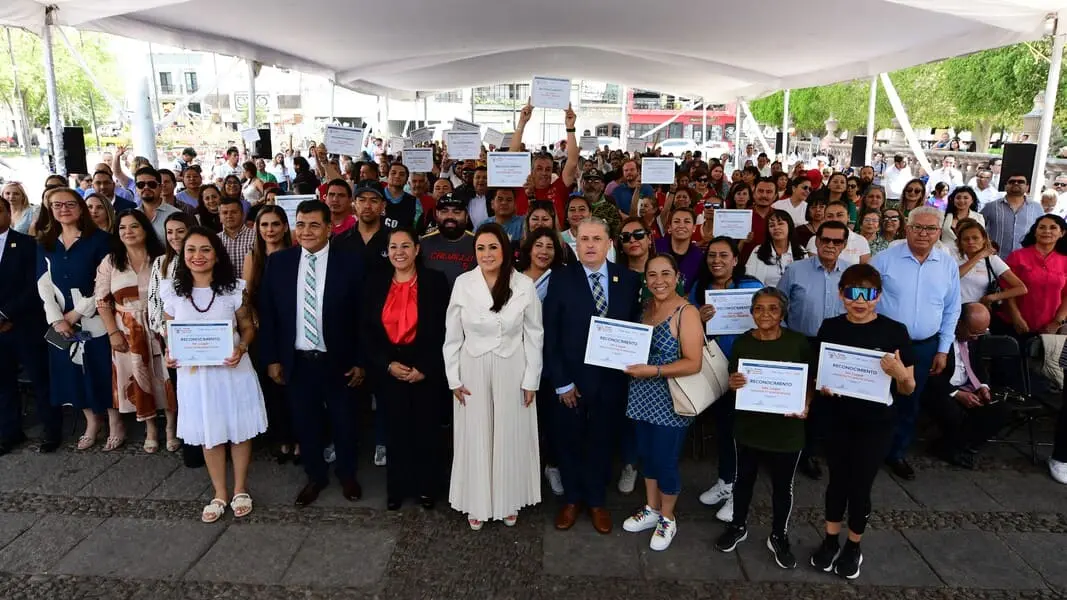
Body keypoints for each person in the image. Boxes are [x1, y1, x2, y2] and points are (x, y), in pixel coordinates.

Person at [808, 264, 916, 580]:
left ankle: (854, 545)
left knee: (860, 485)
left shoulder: (895, 331)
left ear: (878, 297)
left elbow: (908, 388)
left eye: (867, 294)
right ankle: (829, 540)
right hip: (838, 418)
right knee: (836, 483)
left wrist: (899, 374)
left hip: (876, 423)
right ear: (841, 294)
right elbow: (819, 372)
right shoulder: (830, 327)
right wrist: (821, 384)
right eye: (852, 293)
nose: (859, 301)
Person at [259, 200, 366, 507]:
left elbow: (361, 317)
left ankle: (347, 474)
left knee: (345, 421)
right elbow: (270, 316)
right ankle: (315, 476)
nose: (306, 231)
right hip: (298, 361)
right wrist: (273, 359)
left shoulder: (351, 262)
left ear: (329, 229)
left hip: (339, 361)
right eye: (301, 224)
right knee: (306, 423)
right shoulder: (279, 263)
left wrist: (360, 360)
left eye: (314, 225)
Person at [160, 227, 265, 522]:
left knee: (239, 429)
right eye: (191, 250)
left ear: (216, 255)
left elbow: (248, 326)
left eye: (205, 249)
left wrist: (242, 347)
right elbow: (169, 330)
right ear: (182, 255)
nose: (198, 256)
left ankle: (241, 488)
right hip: (196, 376)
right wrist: (171, 350)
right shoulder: (172, 290)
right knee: (209, 433)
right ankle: (219, 492)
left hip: (232, 370)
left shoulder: (233, 289)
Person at [544, 217, 641, 534]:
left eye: (596, 239)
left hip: (611, 382)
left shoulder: (627, 279)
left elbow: (634, 330)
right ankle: (572, 499)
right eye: (583, 239)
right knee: (569, 442)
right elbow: (551, 335)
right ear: (575, 243)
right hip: (570, 382)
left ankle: (596, 501)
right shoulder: (560, 279)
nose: (589, 244)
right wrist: (561, 382)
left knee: (602, 443)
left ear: (609, 243)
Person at [444, 223, 544, 529]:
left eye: (493, 247)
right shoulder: (463, 283)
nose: (487, 254)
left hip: (512, 367)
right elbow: (452, 336)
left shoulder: (523, 284)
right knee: (475, 434)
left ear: (506, 250)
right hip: (472, 367)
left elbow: (534, 334)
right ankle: (476, 501)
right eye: (481, 248)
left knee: (509, 433)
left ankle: (508, 499)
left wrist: (531, 380)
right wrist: (454, 379)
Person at [715, 287, 812, 570]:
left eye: (772, 308)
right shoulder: (744, 343)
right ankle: (738, 526)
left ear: (782, 313)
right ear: (751, 312)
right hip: (749, 426)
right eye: (758, 308)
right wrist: (733, 384)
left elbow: (808, 381)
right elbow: (735, 379)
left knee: (783, 487)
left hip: (787, 430)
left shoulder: (798, 342)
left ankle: (779, 535)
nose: (765, 314)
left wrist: (805, 404)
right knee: (743, 481)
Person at [870, 206, 961, 480]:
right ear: (906, 229)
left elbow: (952, 309)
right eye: (918, 227)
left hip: (924, 346)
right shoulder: (883, 260)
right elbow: (865, 301)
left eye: (931, 229)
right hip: (884, 345)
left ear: (938, 233)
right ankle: (870, 450)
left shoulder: (947, 265)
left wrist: (943, 349)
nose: (924, 233)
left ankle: (896, 453)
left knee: (910, 401)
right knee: (876, 400)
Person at [620, 254, 704, 551]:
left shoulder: (686, 311)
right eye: (652, 275)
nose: (659, 281)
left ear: (678, 276)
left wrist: (653, 370)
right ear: (645, 279)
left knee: (665, 460)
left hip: (671, 399)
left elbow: (693, 363)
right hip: (642, 395)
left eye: (666, 274)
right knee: (645, 455)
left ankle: (668, 517)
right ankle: (652, 508)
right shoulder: (646, 308)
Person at [363, 227, 448, 510]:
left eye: (406, 246)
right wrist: (386, 364)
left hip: (425, 365)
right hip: (390, 366)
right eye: (394, 247)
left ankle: (427, 487)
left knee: (426, 430)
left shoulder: (435, 282)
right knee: (396, 431)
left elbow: (445, 331)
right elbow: (367, 332)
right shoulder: (375, 282)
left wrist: (426, 367)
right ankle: (397, 488)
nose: (399, 252)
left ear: (417, 249)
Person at [36, 188, 114, 450]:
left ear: (81, 208)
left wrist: (77, 312)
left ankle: (115, 421)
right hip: (61, 321)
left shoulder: (99, 240)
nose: (64, 209)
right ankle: (91, 421)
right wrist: (58, 319)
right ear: (50, 209)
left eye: (70, 204)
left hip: (94, 315)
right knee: (71, 370)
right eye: (57, 205)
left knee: (101, 367)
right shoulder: (46, 242)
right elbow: (43, 284)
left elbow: (103, 280)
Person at [691, 236, 763, 520]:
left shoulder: (752, 287)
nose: (716, 261)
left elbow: (772, 322)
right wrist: (698, 317)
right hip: (715, 371)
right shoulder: (700, 288)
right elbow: (689, 328)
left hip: (746, 371)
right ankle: (725, 482)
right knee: (724, 431)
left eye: (723, 255)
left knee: (744, 435)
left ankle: (739, 494)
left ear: (735, 259)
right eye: (711, 256)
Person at [95, 209, 177, 453]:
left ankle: (171, 427)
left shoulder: (162, 257)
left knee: (166, 379)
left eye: (134, 227)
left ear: (145, 230)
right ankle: (150, 427)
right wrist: (113, 332)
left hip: (161, 326)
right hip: (127, 330)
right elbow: (102, 301)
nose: (128, 232)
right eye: (122, 228)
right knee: (139, 380)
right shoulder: (111, 261)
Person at [0, 196, 63, 454]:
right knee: (3, 384)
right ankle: (10, 432)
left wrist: (5, 314)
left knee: (41, 379)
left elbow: (34, 285)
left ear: (8, 213)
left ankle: (52, 430)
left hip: (25, 325)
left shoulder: (27, 244)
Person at [923, 302, 1011, 470]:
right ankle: (952, 447)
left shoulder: (974, 339)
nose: (976, 337)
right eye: (973, 332)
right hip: (942, 389)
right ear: (958, 323)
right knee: (953, 412)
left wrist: (983, 386)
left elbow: (979, 365)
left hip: (968, 386)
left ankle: (950, 445)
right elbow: (931, 376)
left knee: (1002, 410)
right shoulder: (937, 339)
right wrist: (956, 393)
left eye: (981, 333)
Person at [242, 206, 297, 465]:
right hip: (265, 330)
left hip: (294, 329)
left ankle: (299, 437)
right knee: (272, 386)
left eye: (275, 224)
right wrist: (255, 319)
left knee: (295, 386)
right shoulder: (254, 256)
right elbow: (247, 293)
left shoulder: (296, 254)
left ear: (285, 227)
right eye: (265, 225)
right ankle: (282, 437)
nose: (270, 230)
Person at [518, 227, 567, 495]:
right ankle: (523, 470)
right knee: (521, 418)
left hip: (551, 358)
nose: (544, 251)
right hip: (518, 358)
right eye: (539, 245)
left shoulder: (561, 278)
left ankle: (552, 466)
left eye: (550, 246)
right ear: (529, 248)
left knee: (551, 419)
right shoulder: (513, 278)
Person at [1004, 214, 1067, 336]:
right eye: (1042, 227)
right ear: (1035, 232)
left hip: (1051, 329)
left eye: (1053, 228)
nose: (1047, 231)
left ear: (1062, 233)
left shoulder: (1065, 260)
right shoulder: (1017, 256)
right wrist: (1016, 317)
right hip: (1015, 325)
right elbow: (1007, 290)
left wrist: (1057, 322)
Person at [954, 219, 1027, 308]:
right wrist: (979, 256)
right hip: (953, 308)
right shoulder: (952, 256)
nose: (971, 242)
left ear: (984, 239)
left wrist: (992, 297)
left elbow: (1021, 288)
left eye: (975, 238)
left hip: (980, 311)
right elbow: (954, 276)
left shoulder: (992, 260)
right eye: (966, 239)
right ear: (960, 242)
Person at [148, 213, 198, 338]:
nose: (174, 237)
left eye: (180, 231)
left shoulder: (203, 259)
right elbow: (154, 299)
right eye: (169, 232)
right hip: (171, 333)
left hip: (202, 329)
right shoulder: (161, 262)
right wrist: (164, 329)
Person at [419, 194, 477, 287]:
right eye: (444, 211)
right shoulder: (423, 243)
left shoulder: (478, 244)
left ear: (466, 216)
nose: (450, 216)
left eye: (457, 212)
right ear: (437, 215)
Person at [981, 173, 1043, 259]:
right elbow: (978, 228)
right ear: (1006, 186)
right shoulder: (991, 207)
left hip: (1026, 260)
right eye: (1012, 182)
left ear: (1027, 187)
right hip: (996, 259)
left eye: (1020, 182)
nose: (1016, 183)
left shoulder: (1036, 208)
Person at [745, 210, 805, 287]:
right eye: (772, 225)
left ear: (789, 226)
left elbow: (805, 282)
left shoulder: (800, 250)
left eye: (780, 224)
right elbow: (750, 280)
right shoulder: (758, 250)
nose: (776, 228)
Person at [805, 201, 870, 265]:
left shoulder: (861, 240)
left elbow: (864, 270)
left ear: (848, 217)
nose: (835, 219)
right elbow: (814, 268)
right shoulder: (815, 240)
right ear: (824, 219)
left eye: (839, 215)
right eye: (830, 216)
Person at [654, 207, 702, 292]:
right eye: (676, 221)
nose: (681, 225)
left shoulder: (699, 256)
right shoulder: (655, 247)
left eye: (687, 221)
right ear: (669, 227)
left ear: (694, 228)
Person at [217, 197, 255, 279]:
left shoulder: (256, 237)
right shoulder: (215, 240)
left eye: (233, 212)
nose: (229, 216)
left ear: (243, 215)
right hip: (224, 289)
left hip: (252, 288)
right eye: (225, 213)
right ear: (219, 216)